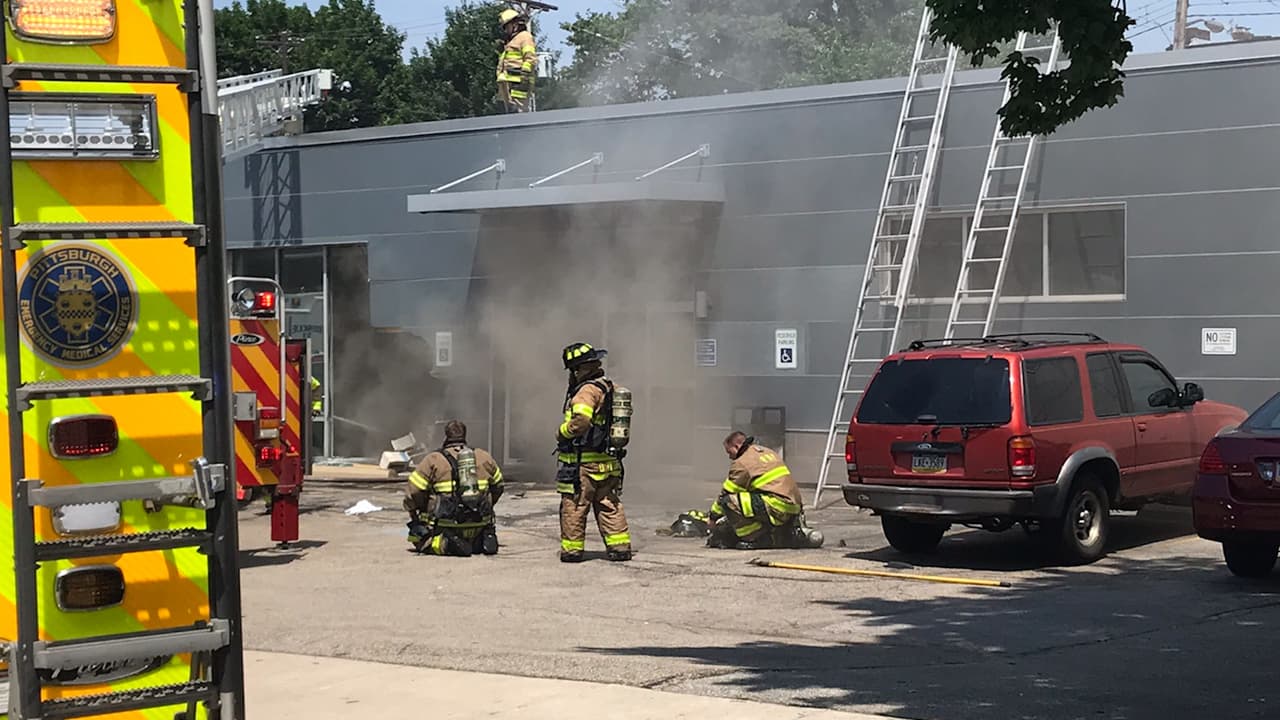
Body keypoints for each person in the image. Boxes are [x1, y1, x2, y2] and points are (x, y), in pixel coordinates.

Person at [555, 341, 631, 562]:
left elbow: (581, 421)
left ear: (578, 369)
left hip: (584, 465)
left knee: (575, 506)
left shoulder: (586, 390)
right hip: (608, 462)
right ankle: (620, 548)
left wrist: (562, 432)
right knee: (609, 505)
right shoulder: (610, 387)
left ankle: (572, 551)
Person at [404, 420, 504, 556]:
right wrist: (486, 506)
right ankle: (481, 542)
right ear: (464, 435)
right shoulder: (484, 457)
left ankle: (444, 544)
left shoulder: (433, 460)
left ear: (446, 435)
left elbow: (413, 492)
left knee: (418, 537)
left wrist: (420, 512)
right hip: (479, 527)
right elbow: (498, 486)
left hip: (445, 526)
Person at [708, 431, 820, 550]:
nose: (730, 457)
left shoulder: (741, 463)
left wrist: (712, 518)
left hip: (776, 506)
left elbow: (727, 493)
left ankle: (756, 538)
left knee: (728, 501)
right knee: (747, 498)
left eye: (729, 452)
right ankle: (776, 531)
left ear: (737, 446)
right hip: (794, 508)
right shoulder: (766, 452)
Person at [496, 8, 537, 113]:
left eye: (507, 27)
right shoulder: (510, 42)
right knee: (510, 114)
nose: (505, 31)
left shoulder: (525, 37)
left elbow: (530, 58)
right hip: (507, 85)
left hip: (519, 83)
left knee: (519, 112)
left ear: (515, 24)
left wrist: (525, 75)